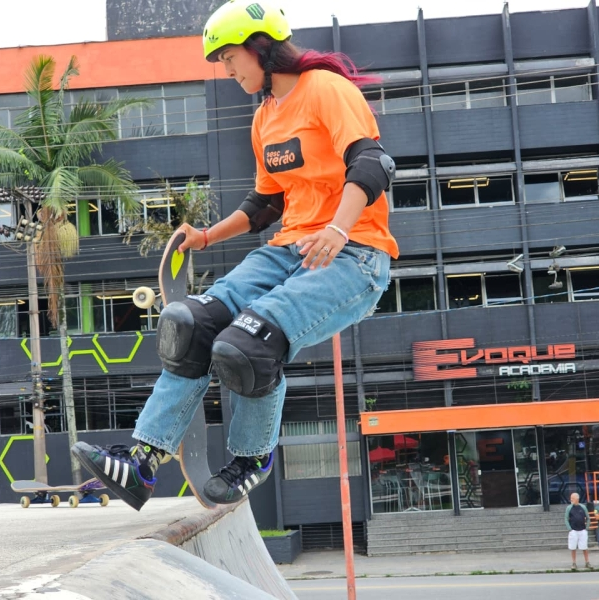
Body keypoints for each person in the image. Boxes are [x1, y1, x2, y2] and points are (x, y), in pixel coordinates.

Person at [71, 0, 398, 510]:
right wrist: (206, 236)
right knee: (193, 326)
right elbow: (266, 203)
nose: (226, 71)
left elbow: (373, 163)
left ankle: (251, 457)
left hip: (353, 255)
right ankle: (141, 462)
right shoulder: (265, 116)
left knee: (250, 343)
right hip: (289, 248)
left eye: (229, 58)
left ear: (260, 47)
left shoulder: (327, 91)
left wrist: (338, 227)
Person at [565, 492, 592, 570]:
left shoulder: (583, 507)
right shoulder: (569, 508)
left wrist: (586, 528)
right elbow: (566, 518)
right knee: (573, 547)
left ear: (577, 499)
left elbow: (588, 517)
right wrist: (569, 529)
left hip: (582, 530)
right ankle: (574, 563)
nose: (571, 500)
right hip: (573, 530)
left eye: (572, 498)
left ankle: (587, 562)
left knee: (584, 547)